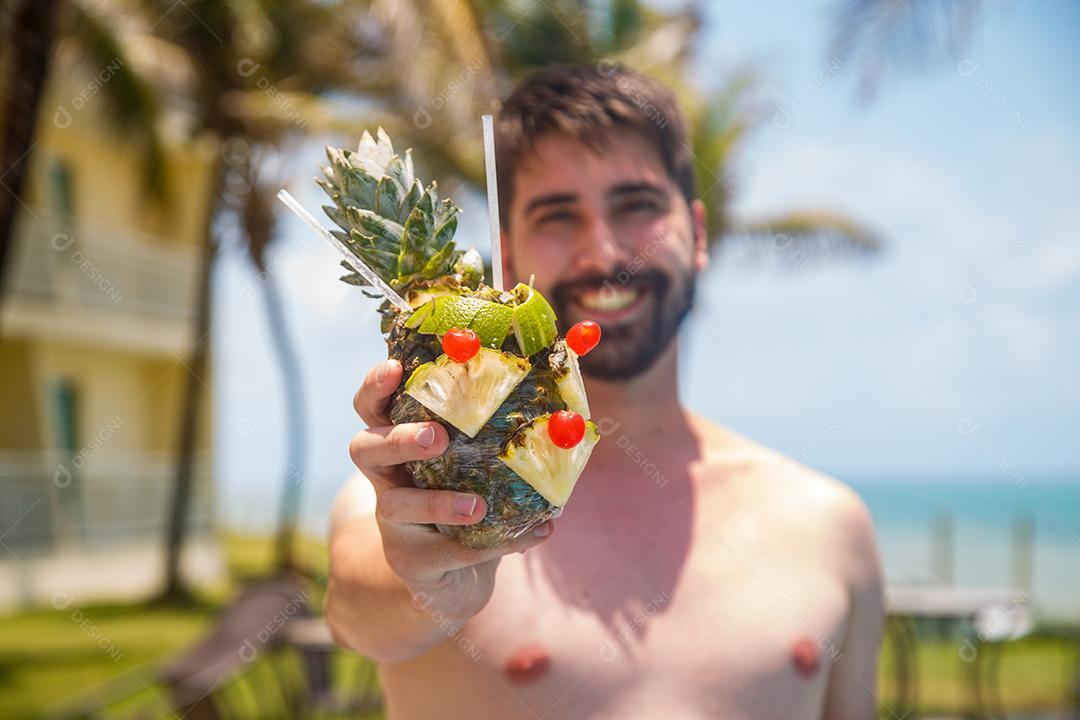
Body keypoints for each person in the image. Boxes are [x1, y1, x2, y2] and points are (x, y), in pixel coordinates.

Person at [326, 63, 884, 719]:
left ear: (698, 234)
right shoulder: (415, 492)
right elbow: (356, 608)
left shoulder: (830, 525)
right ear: (507, 255)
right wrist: (423, 582)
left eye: (637, 205)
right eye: (558, 215)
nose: (605, 248)